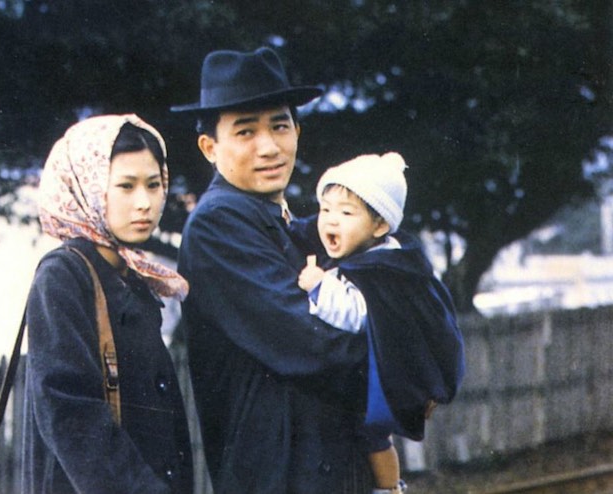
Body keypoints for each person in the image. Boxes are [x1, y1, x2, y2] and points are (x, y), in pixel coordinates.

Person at [171, 46, 374, 493]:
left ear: (297, 131)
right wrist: (404, 365)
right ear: (209, 147)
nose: (268, 147)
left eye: (280, 125)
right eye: (245, 131)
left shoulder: (282, 220)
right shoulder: (217, 224)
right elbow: (309, 343)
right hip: (277, 477)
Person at [21, 114, 194, 494]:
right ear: (88, 188)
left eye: (153, 185)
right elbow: (69, 410)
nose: (144, 203)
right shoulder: (64, 274)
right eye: (126, 187)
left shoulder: (129, 272)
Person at [296, 152, 466, 494]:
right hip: (373, 380)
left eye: (346, 213)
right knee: (374, 437)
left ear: (379, 225)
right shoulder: (379, 255)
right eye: (325, 210)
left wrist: (319, 287)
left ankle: (390, 489)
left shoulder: (382, 271)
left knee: (374, 437)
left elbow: (360, 315)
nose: (330, 221)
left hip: (379, 384)